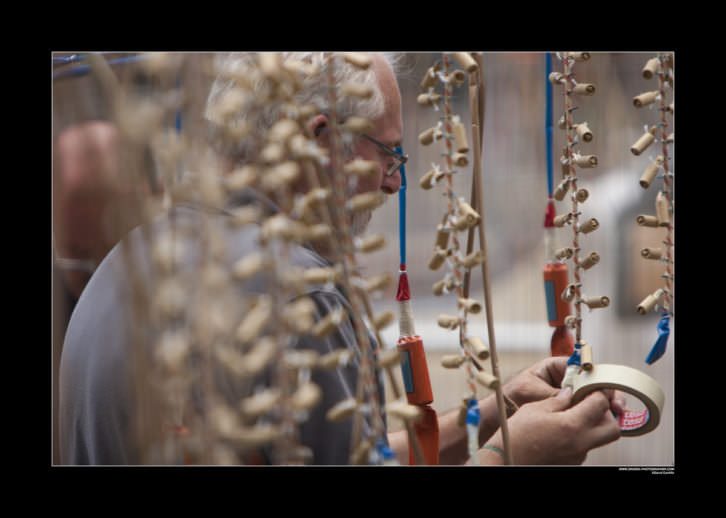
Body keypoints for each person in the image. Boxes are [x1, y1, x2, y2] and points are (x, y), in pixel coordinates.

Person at [58, 51, 623, 466]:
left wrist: (496, 411)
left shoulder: (128, 258)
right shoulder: (300, 293)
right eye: (387, 153)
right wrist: (512, 457)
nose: (395, 182)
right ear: (320, 139)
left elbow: (348, 459)